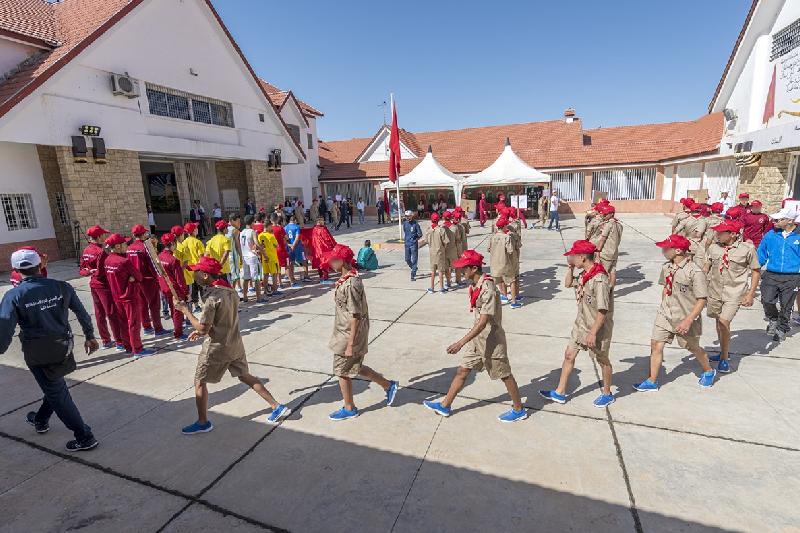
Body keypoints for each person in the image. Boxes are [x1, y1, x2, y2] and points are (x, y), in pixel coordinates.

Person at [174, 257, 291, 434]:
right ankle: (276, 406)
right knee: (245, 376)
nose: (193, 274)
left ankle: (203, 422)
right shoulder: (229, 291)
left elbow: (204, 328)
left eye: (196, 271)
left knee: (199, 382)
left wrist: (185, 311)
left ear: (205, 275)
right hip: (234, 342)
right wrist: (200, 331)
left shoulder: (212, 297)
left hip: (217, 347)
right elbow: (222, 319)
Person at [0, 248, 100, 452]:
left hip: (39, 353)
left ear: (15, 269)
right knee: (54, 384)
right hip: (63, 346)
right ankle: (40, 420)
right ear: (40, 265)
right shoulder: (62, 287)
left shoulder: (13, 296)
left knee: (57, 392)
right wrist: (89, 335)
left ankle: (84, 437)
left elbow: (4, 331)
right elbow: (82, 313)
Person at [423, 250, 527, 422]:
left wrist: (460, 343)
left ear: (473, 268)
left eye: (463, 269)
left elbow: (483, 322)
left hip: (491, 341)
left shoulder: (489, 289)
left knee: (505, 375)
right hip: (477, 340)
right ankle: (445, 405)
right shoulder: (476, 285)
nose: (461, 272)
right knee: (462, 370)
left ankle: (519, 409)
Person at [326, 244, 398, 420]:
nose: (329, 263)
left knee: (341, 371)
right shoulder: (348, 279)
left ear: (341, 261)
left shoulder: (350, 284)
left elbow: (356, 315)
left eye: (333, 260)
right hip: (344, 331)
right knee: (355, 367)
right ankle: (388, 385)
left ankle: (349, 408)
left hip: (348, 334)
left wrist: (350, 344)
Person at [634, 235, 715, 392]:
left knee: (692, 347)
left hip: (685, 316)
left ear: (678, 250)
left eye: (666, 248)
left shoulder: (695, 272)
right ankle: (652, 381)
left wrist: (689, 320)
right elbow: (666, 287)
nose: (663, 251)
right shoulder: (666, 267)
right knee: (656, 344)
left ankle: (708, 370)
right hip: (666, 313)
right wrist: (663, 305)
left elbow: (702, 299)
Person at [540, 240, 615, 407]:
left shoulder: (600, 279)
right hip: (581, 325)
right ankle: (560, 392)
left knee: (602, 361)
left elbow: (603, 310)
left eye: (573, 257)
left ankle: (607, 393)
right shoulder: (584, 275)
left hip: (597, 328)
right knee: (569, 355)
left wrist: (593, 333)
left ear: (582, 257)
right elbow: (568, 284)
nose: (571, 259)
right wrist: (571, 269)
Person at [703, 220, 760, 372]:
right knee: (718, 323)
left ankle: (724, 358)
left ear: (733, 234)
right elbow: (706, 268)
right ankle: (723, 350)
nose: (717, 235)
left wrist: (750, 294)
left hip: (734, 292)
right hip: (715, 291)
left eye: (721, 232)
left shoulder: (747, 249)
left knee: (723, 322)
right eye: (717, 232)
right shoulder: (714, 247)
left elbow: (756, 270)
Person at [104, 234, 156, 358]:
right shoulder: (123, 261)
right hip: (129, 297)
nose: (126, 246)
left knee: (123, 323)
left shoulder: (107, 260)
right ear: (117, 246)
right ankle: (137, 349)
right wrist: (132, 277)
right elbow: (139, 276)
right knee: (133, 324)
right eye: (125, 244)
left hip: (117, 296)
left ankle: (128, 347)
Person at [757, 207, 800, 342]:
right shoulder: (771, 234)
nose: (774, 221)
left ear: (790, 220)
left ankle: (782, 328)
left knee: (787, 304)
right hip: (771, 274)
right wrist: (756, 267)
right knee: (766, 300)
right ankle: (773, 319)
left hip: (792, 276)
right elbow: (761, 252)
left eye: (778, 219)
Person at [79, 225, 121, 350]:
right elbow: (102, 272)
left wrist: (89, 272)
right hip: (103, 286)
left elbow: (81, 270)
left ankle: (105, 340)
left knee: (99, 313)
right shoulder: (100, 252)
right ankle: (119, 342)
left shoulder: (86, 250)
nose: (105, 236)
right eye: (103, 234)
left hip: (93, 285)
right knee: (111, 313)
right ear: (99, 236)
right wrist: (94, 272)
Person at [127, 224, 170, 337]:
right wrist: (159, 278)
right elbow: (153, 264)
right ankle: (158, 328)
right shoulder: (145, 247)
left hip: (137, 280)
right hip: (148, 280)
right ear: (143, 235)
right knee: (154, 304)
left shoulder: (129, 248)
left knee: (142, 304)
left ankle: (146, 327)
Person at [158, 233, 190, 340]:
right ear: (172, 243)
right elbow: (180, 279)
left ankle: (177, 328)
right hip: (175, 290)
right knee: (178, 312)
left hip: (164, 288)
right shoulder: (173, 260)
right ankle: (178, 333)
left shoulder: (159, 257)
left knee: (173, 310)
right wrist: (186, 292)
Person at [488, 217, 521, 308]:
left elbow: (489, 249)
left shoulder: (492, 237)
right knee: (512, 281)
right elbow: (510, 251)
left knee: (497, 283)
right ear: (505, 226)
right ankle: (514, 302)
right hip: (505, 262)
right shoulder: (506, 237)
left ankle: (501, 298)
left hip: (494, 264)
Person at [593, 204, 623, 288]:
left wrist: (598, 251)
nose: (604, 216)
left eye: (605, 214)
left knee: (603, 273)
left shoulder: (608, 224)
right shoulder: (619, 225)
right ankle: (611, 291)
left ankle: (603, 291)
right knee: (612, 272)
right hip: (614, 252)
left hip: (606, 252)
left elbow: (603, 239)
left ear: (611, 214)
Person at [239, 215, 266, 303]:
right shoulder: (253, 232)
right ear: (252, 222)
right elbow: (257, 244)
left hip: (244, 256)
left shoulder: (241, 232)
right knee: (257, 278)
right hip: (252, 256)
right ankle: (259, 298)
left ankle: (245, 297)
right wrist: (264, 254)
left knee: (246, 278)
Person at [182, 222, 206, 311]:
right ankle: (205, 305)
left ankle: (196, 306)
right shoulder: (197, 242)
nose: (197, 229)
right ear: (194, 231)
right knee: (202, 289)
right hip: (198, 269)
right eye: (196, 228)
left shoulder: (184, 242)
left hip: (188, 270)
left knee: (193, 290)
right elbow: (201, 258)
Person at [425, 213, 451, 293]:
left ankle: (431, 287)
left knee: (433, 271)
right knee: (440, 271)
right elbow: (445, 242)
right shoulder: (441, 230)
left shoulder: (428, 230)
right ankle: (442, 288)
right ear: (438, 220)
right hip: (440, 253)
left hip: (432, 253)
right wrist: (443, 248)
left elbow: (426, 241)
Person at [285, 215, 311, 285]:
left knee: (291, 262)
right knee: (304, 260)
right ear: (295, 220)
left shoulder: (285, 227)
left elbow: (284, 238)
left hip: (289, 247)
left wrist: (289, 245)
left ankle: (292, 276)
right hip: (297, 246)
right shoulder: (296, 227)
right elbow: (297, 238)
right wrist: (294, 245)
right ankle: (306, 275)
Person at [311, 217, 337, 283]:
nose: (324, 222)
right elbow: (327, 239)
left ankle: (321, 277)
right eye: (322, 221)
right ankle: (325, 278)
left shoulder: (314, 229)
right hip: (323, 248)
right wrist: (332, 247)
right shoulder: (322, 229)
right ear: (319, 222)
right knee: (325, 263)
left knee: (319, 263)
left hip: (316, 249)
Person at [258, 224, 281, 294]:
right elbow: (277, 245)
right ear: (268, 226)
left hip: (264, 257)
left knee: (265, 274)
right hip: (272, 257)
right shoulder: (271, 236)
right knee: (274, 274)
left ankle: (265, 290)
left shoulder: (259, 235)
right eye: (270, 226)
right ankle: (275, 291)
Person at [442, 211, 461, 287]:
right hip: (453, 249)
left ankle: (448, 283)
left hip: (445, 250)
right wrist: (458, 250)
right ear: (451, 218)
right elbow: (457, 240)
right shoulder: (454, 227)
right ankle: (458, 280)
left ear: (443, 218)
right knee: (457, 266)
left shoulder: (441, 228)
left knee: (447, 268)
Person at [403, 210, 423, 281]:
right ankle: (413, 267)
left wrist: (415, 238)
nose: (407, 217)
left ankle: (413, 274)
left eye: (408, 216)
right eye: (406, 216)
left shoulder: (415, 223)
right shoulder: (405, 223)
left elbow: (420, 233)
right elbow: (405, 231)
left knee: (414, 259)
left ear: (411, 216)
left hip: (413, 243)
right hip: (407, 243)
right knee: (407, 259)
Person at [270, 214, 290, 286]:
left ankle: (279, 283)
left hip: (273, 249)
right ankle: (290, 279)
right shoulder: (280, 228)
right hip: (281, 249)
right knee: (287, 264)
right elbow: (287, 237)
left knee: (277, 267)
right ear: (277, 220)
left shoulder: (269, 229)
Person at [227, 214, 243, 292]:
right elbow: (238, 245)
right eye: (238, 222)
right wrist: (241, 256)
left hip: (225, 255)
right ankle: (232, 292)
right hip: (233, 255)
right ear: (232, 221)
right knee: (235, 275)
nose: (239, 223)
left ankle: (237, 288)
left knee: (230, 274)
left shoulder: (223, 229)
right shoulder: (235, 230)